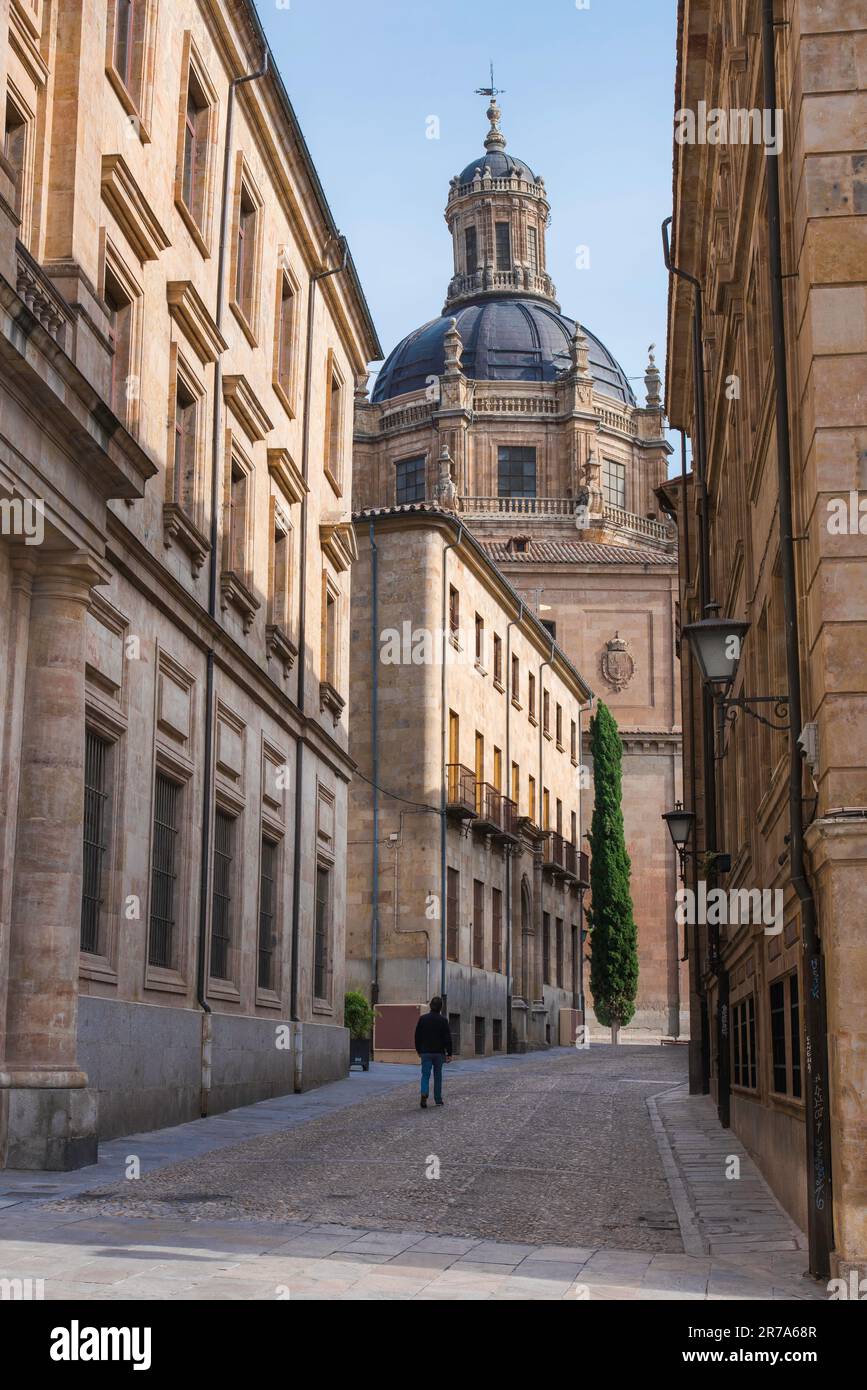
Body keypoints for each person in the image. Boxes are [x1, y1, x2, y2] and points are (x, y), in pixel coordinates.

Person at [414, 997, 453, 1108]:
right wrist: (449, 1053)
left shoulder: (423, 1019)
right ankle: (438, 1099)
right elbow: (448, 1038)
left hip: (425, 1052)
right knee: (438, 1075)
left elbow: (417, 1036)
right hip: (439, 1053)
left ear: (430, 1006)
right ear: (441, 1007)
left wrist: (418, 1050)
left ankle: (424, 1093)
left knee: (425, 1075)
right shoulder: (443, 1020)